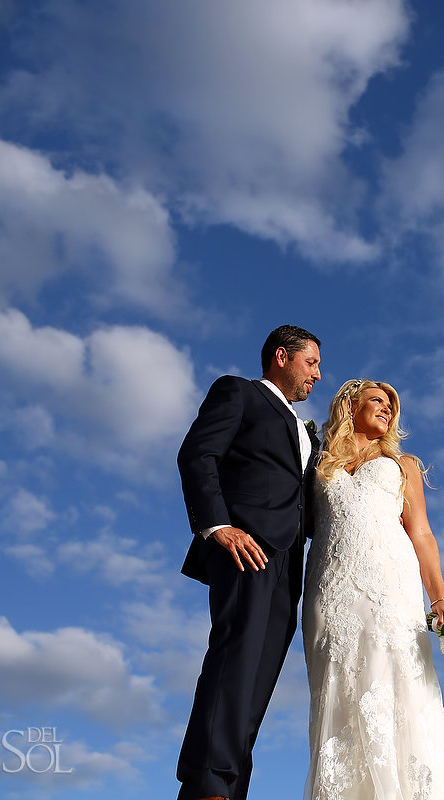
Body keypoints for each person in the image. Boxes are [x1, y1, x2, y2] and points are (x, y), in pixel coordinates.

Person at [303, 379, 444, 800]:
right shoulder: (319, 462)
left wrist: (440, 600)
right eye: (378, 401)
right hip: (329, 588)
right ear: (349, 405)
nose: (388, 410)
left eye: (392, 406)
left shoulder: (402, 464)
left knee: (394, 681)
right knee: (336, 692)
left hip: (389, 586)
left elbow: (423, 535)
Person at [175, 325, 322, 800]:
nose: (317, 375)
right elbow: (198, 454)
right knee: (234, 659)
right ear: (282, 356)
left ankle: (230, 787)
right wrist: (217, 526)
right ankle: (207, 786)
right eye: (311, 363)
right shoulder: (237, 392)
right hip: (245, 546)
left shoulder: (304, 429)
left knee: (259, 677)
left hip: (289, 560)